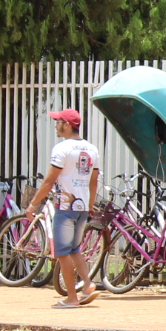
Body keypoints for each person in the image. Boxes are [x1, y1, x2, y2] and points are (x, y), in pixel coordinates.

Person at [22, 110, 100, 309]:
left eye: (58, 121)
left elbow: (49, 181)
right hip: (82, 206)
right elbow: (93, 181)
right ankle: (88, 284)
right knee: (74, 249)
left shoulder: (61, 149)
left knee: (63, 253)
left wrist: (33, 204)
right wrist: (90, 205)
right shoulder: (92, 149)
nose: (56, 125)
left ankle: (72, 298)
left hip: (65, 207)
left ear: (66, 124)